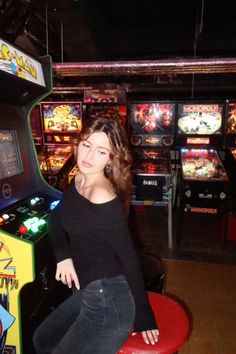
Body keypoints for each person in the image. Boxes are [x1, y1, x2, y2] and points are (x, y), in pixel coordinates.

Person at [33, 117, 159, 354]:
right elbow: (55, 218)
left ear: (112, 158)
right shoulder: (79, 179)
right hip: (87, 291)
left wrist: (144, 315)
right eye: (86, 145)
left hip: (108, 303)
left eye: (101, 151)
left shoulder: (103, 197)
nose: (89, 156)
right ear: (77, 144)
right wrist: (63, 255)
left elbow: (130, 260)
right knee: (42, 340)